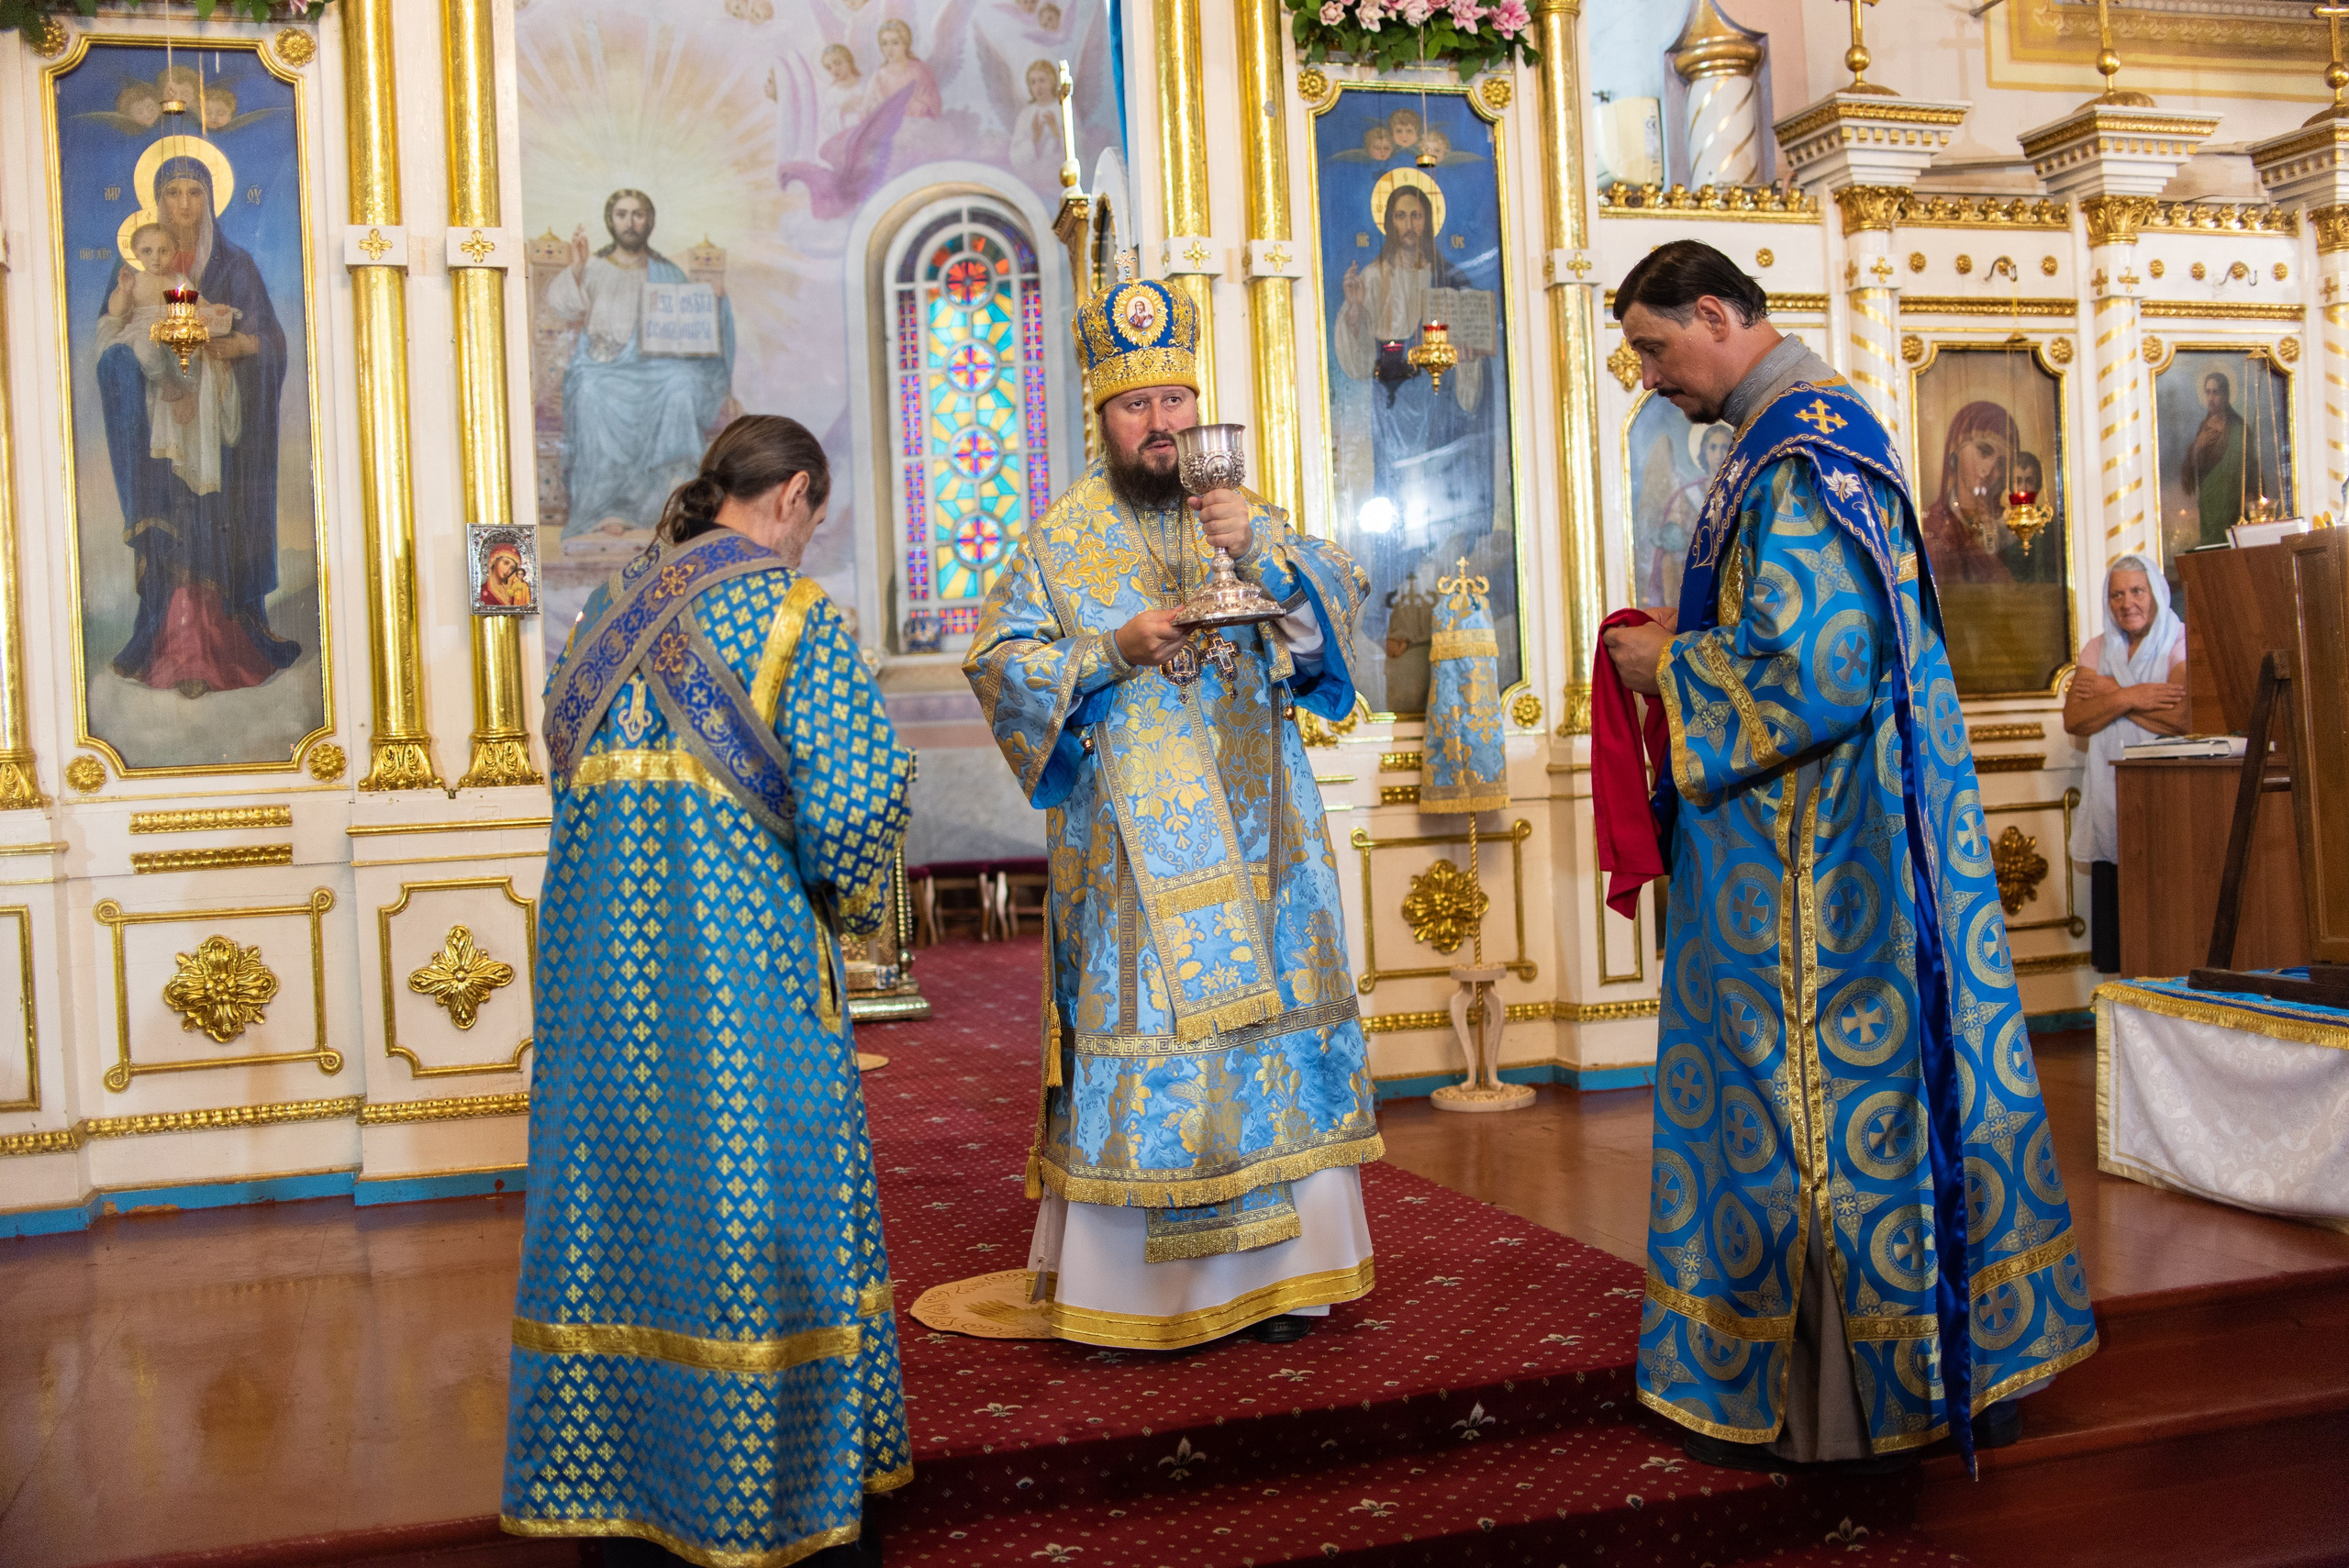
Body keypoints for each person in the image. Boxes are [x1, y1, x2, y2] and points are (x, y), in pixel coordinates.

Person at [1602, 239, 2097, 1473]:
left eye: (1658, 349)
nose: (1652, 378)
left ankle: (1846, 1396)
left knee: (1815, 1110)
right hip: (1830, 837)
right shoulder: (1797, 444)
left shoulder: (1804, 456)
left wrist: (1673, 667)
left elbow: (1821, 672)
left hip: (1819, 870)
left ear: (1716, 314)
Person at [505, 417, 913, 1566]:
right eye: (815, 521)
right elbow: (854, 809)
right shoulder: (795, 618)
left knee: (613, 1218)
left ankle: (618, 1493)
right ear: (790, 497)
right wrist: (845, 908)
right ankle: (764, 1492)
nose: (809, 543)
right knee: (757, 1213)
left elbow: (564, 766)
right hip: (741, 981)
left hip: (596, 988)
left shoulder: (598, 619)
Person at [963, 280, 1379, 1351]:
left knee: (1261, 1047)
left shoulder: (1242, 514)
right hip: (1129, 862)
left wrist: (1269, 557)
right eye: (1135, 405)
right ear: (1101, 419)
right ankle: (1144, 1292)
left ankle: (1289, 1276)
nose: (1162, 425)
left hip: (1264, 847)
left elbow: (1342, 603)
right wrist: (1109, 650)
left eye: (1177, 400)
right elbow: (999, 662)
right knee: (1160, 1044)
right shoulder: (1059, 543)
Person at [95, 153, 298, 696]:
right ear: (154, 204)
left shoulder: (236, 264)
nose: (184, 204)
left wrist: (242, 345)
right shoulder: (139, 274)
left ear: (211, 200)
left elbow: (270, 340)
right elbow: (113, 343)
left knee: (214, 523)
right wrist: (163, 382)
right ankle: (171, 648)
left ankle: (223, 649)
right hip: (158, 432)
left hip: (220, 435)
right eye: (172, 194)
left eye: (194, 193)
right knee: (173, 529)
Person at [543, 189, 738, 542]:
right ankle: (603, 508)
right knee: (589, 392)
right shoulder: (594, 268)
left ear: (649, 221)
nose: (630, 223)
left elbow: (693, 328)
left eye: (637, 214)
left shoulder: (667, 272)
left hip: (657, 370)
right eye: (621, 214)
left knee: (682, 384)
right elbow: (561, 305)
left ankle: (668, 502)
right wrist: (577, 266)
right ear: (610, 221)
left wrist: (716, 301)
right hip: (603, 367)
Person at [2064, 554, 2187, 973]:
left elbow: (2182, 718)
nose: (2127, 602)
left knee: (2169, 936)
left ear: (2156, 592)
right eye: (2117, 594)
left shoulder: (2179, 642)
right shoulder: (2097, 649)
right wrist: (2131, 695)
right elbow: (2074, 718)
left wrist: (2108, 695)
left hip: (2167, 807)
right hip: (2109, 808)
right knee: (2121, 948)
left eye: (2137, 591)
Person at [1918, 400, 2020, 585]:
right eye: (1984, 451)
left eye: (2001, 463)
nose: (1989, 470)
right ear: (1956, 448)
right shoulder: (1932, 526)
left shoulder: (2006, 530)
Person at [2181, 370, 2244, 550]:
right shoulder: (2203, 427)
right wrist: (2197, 447)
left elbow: (2250, 467)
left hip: (2231, 505)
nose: (2211, 397)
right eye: (2207, 392)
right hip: (2209, 505)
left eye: (2215, 392)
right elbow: (2189, 468)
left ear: (2225, 394)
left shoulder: (2238, 427)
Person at [475, 541, 533, 609]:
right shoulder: (482, 592)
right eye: (505, 563)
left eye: (512, 568)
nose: (507, 570)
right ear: (494, 560)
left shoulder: (513, 592)